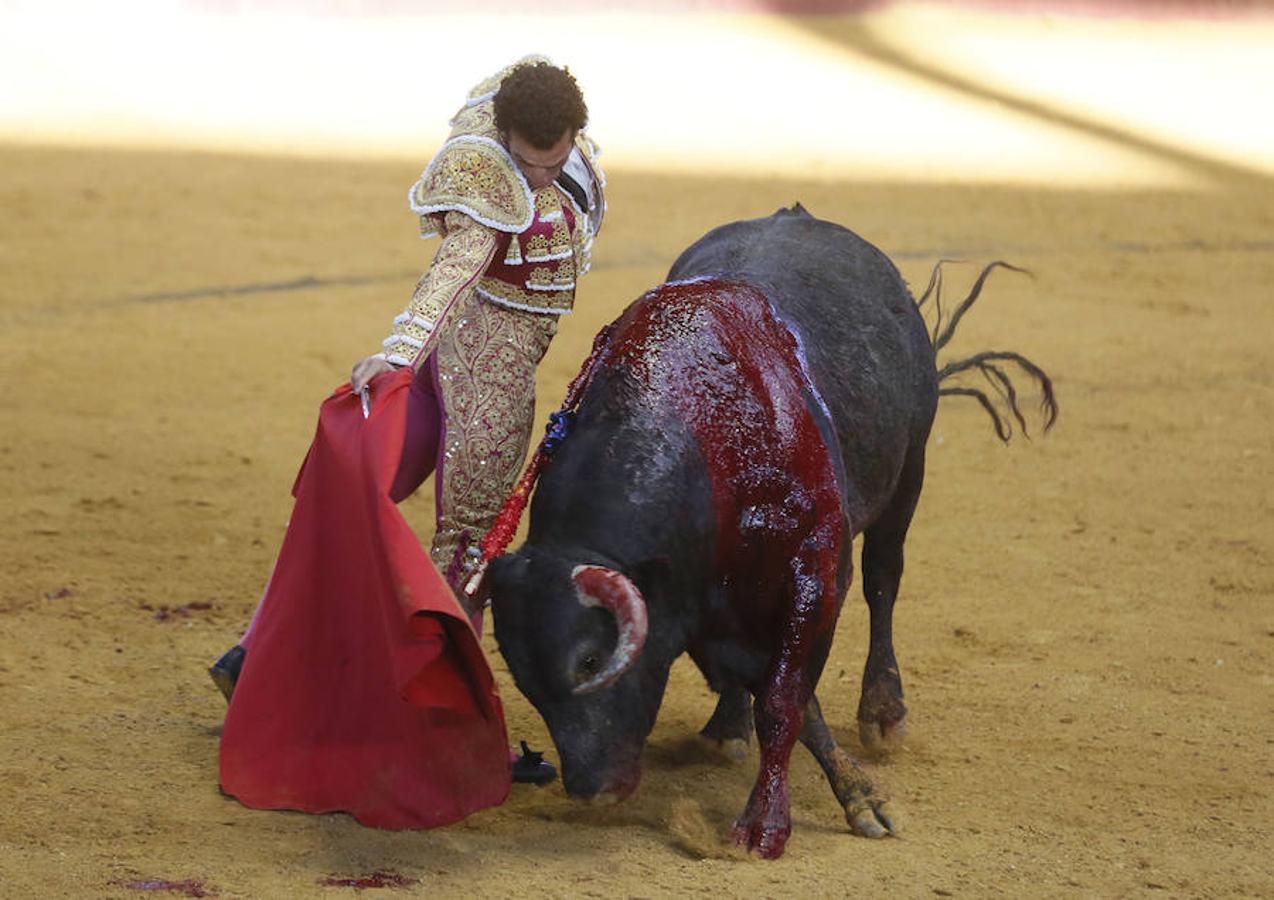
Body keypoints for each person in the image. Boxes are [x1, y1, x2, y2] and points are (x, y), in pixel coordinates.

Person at [210, 58, 605, 823]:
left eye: (553, 162)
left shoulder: (564, 148)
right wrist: (396, 352)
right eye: (528, 161)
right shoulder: (488, 172)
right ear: (504, 140)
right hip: (482, 375)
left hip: (447, 370)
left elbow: (521, 109)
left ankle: (252, 655)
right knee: (468, 549)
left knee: (359, 511)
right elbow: (453, 270)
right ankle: (440, 733)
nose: (541, 177)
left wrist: (414, 361)